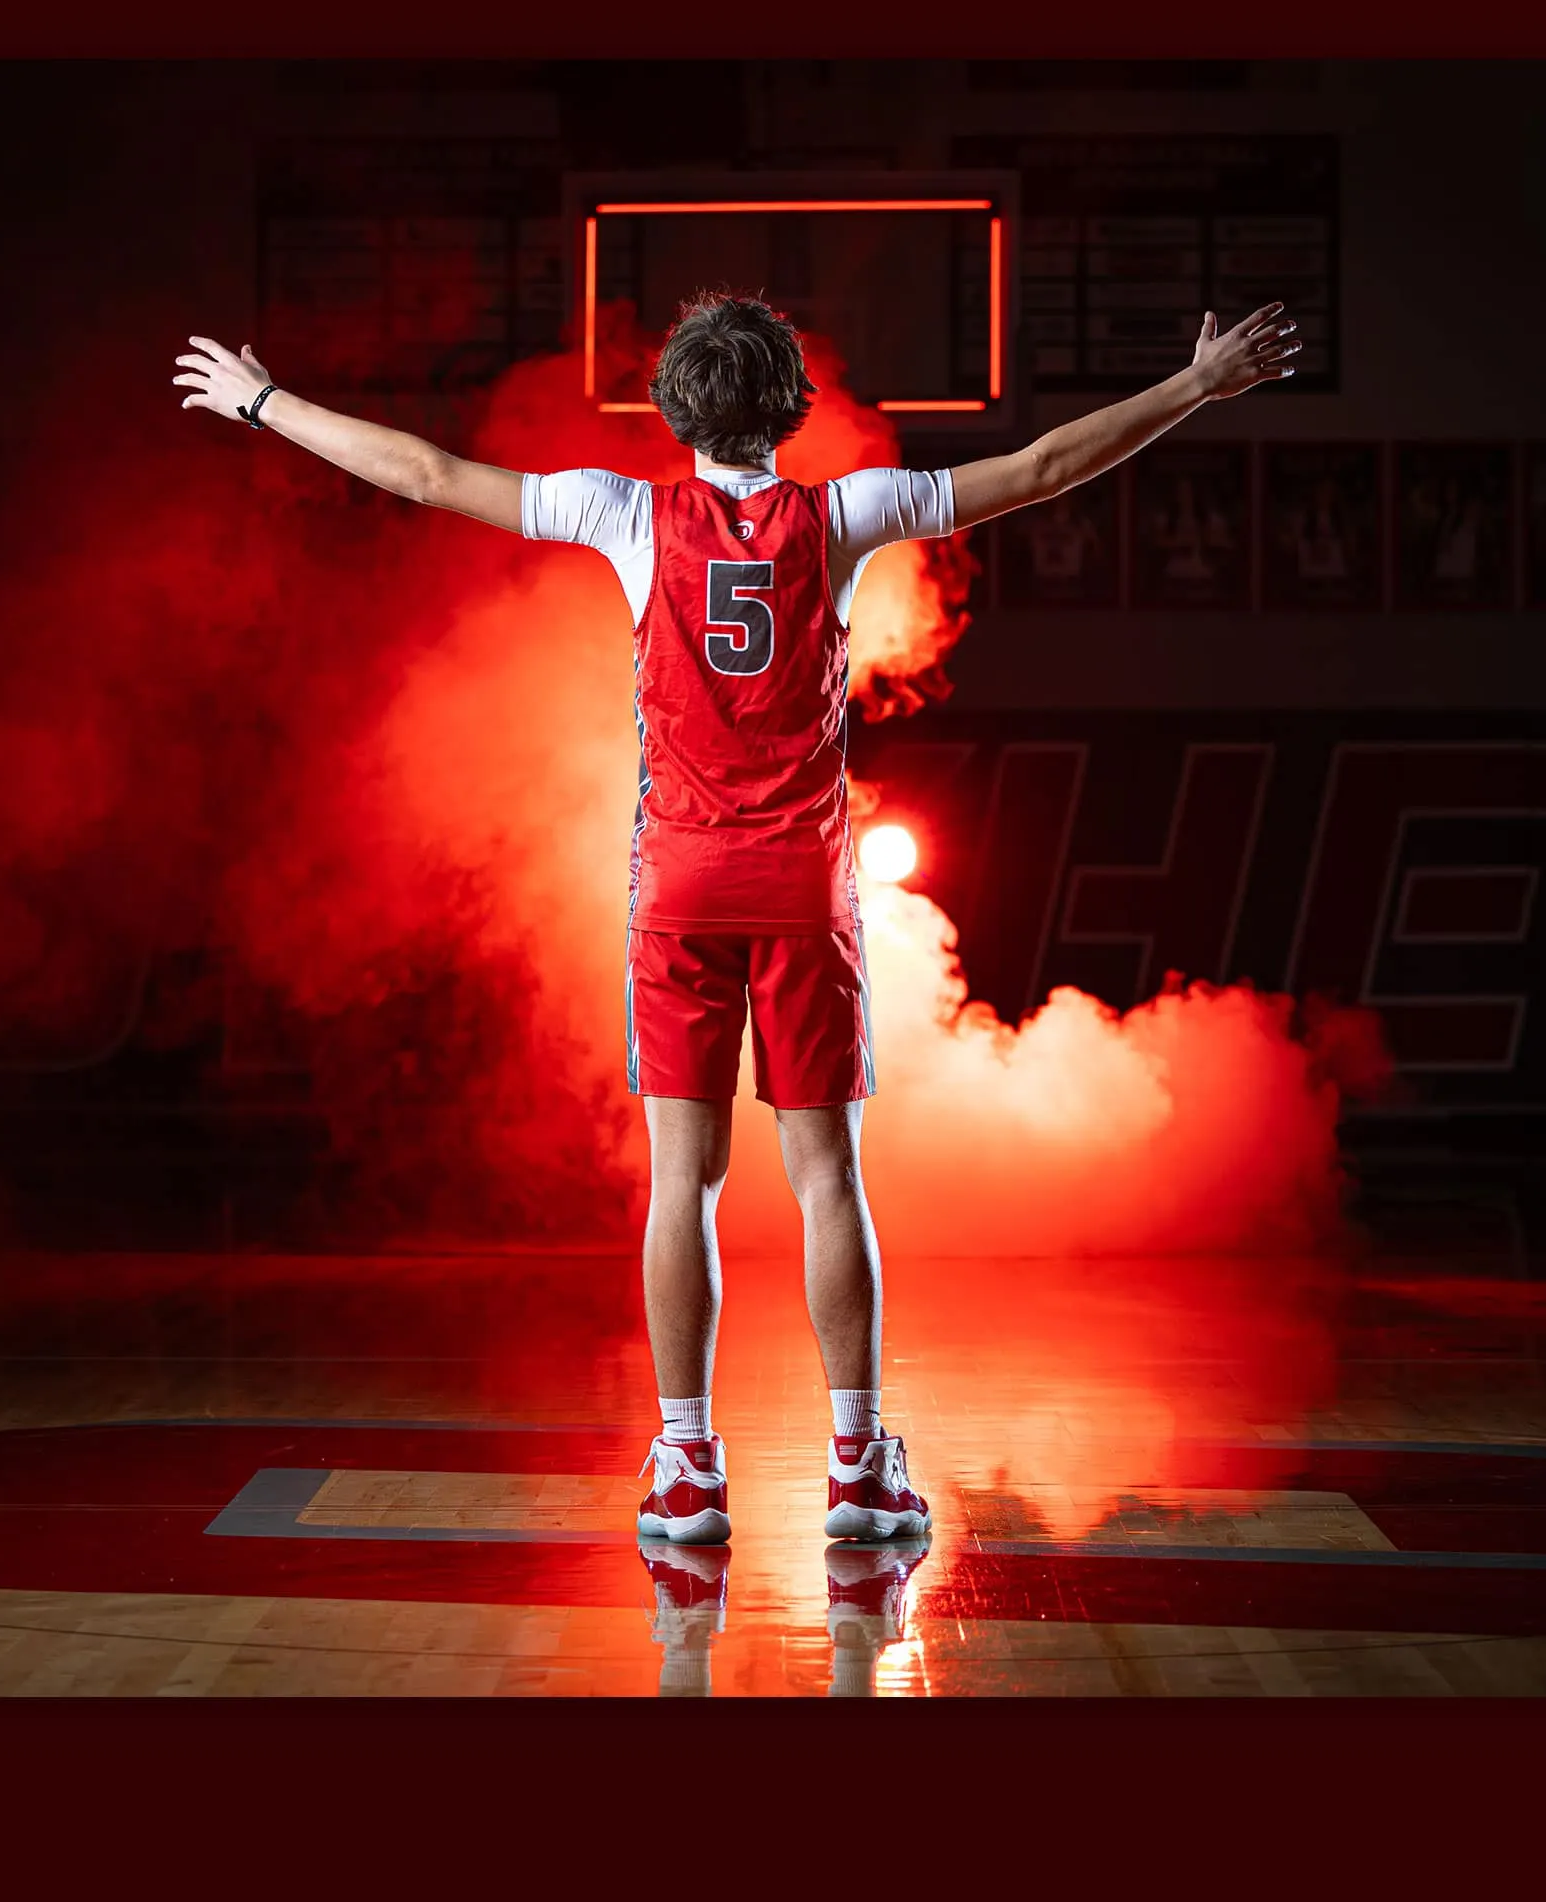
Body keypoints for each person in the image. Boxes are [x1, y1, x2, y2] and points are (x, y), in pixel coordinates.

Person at [173, 292, 1300, 1547]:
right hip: (799, 885)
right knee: (825, 1178)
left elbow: (428, 472)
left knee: (682, 1183)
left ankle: (687, 1468)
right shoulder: (848, 513)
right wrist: (1193, 386)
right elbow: (1039, 466)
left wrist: (264, 404)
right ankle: (859, 1466)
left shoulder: (623, 512)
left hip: (681, 887)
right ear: (791, 407)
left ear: (673, 408)